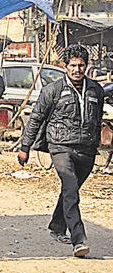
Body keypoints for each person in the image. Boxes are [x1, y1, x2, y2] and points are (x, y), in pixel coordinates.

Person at [18, 44, 103, 258]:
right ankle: (79, 239)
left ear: (86, 66)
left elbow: (97, 119)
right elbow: (36, 118)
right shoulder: (53, 90)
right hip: (60, 146)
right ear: (65, 67)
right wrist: (24, 147)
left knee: (70, 190)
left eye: (81, 65)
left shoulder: (95, 90)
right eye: (73, 65)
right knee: (70, 187)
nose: (77, 70)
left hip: (87, 150)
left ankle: (57, 225)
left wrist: (96, 144)